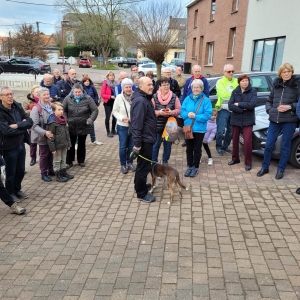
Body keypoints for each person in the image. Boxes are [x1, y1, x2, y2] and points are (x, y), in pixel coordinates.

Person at [257, 63, 300, 180]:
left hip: (289, 120)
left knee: (285, 147)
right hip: (274, 120)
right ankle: (265, 167)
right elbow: (269, 101)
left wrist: (290, 107)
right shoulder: (276, 86)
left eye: (289, 71)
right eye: (284, 72)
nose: (286, 74)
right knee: (269, 145)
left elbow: (299, 104)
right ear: (280, 74)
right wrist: (270, 110)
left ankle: (281, 169)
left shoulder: (297, 86)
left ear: (292, 72)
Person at [0, 86, 33, 202]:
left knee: (21, 169)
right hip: (8, 146)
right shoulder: (1, 111)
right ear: (1, 97)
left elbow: (30, 122)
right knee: (11, 172)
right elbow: (6, 131)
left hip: (20, 143)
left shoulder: (17, 106)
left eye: (11, 94)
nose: (10, 97)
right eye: (7, 95)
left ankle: (17, 189)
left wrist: (18, 125)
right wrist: (22, 126)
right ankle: (10, 193)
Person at [130, 77, 157, 203]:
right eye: (148, 85)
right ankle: (141, 193)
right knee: (143, 167)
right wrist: (137, 144)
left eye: (152, 84)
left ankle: (139, 185)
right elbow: (136, 125)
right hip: (144, 140)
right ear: (140, 87)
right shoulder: (141, 101)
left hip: (147, 138)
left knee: (142, 165)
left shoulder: (145, 98)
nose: (152, 86)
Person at [180, 79, 212, 177]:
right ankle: (189, 166)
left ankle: (195, 167)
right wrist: (187, 114)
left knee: (197, 149)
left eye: (198, 87)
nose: (195, 89)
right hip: (188, 128)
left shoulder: (206, 100)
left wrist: (195, 116)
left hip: (199, 129)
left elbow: (208, 115)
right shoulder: (187, 99)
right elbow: (182, 112)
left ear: (201, 88)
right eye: (194, 87)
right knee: (189, 149)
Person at [63, 83, 99, 168]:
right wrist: (65, 120)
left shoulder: (88, 98)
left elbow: (95, 110)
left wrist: (90, 120)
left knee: (82, 143)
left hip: (84, 124)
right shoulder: (68, 98)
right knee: (70, 144)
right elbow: (63, 109)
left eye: (79, 92)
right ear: (73, 91)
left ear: (82, 91)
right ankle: (69, 161)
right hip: (71, 125)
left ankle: (81, 160)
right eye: (76, 92)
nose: (77, 94)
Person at [228, 74, 257, 171]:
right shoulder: (235, 91)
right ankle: (235, 158)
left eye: (246, 81)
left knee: (247, 141)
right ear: (239, 82)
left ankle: (248, 162)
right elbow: (230, 105)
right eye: (243, 81)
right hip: (236, 118)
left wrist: (239, 104)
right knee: (235, 140)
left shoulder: (253, 91)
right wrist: (242, 109)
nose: (245, 82)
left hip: (248, 120)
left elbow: (252, 104)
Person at [151, 77, 181, 165]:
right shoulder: (154, 97)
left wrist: (172, 112)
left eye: (168, 84)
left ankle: (165, 161)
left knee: (167, 145)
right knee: (156, 145)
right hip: (157, 126)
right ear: (159, 86)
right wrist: (159, 112)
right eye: (164, 85)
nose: (166, 86)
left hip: (169, 126)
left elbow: (179, 109)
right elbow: (151, 111)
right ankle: (154, 161)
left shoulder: (174, 97)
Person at [181, 64, 209, 147]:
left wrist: (203, 102)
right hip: (189, 103)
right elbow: (185, 92)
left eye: (198, 71)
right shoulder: (189, 80)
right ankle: (187, 138)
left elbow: (206, 93)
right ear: (192, 72)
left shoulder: (204, 80)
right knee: (187, 122)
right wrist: (183, 103)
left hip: (199, 105)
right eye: (195, 71)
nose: (197, 73)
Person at [30, 87, 55, 182]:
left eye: (48, 94)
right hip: (42, 136)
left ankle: (51, 170)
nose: (47, 96)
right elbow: (34, 125)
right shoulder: (36, 108)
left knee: (51, 153)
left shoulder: (52, 105)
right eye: (44, 95)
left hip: (52, 135)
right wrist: (45, 132)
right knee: (44, 155)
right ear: (39, 96)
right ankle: (43, 173)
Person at [112, 78, 136, 174]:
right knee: (123, 146)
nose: (128, 89)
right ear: (122, 88)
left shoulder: (136, 96)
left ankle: (130, 162)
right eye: (126, 87)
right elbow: (114, 111)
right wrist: (122, 118)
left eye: (130, 87)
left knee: (131, 146)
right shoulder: (119, 97)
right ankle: (123, 164)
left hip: (133, 125)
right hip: (122, 126)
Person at [215, 64, 239, 156]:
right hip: (223, 109)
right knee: (220, 130)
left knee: (230, 131)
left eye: (233, 71)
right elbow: (222, 95)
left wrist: (230, 94)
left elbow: (239, 94)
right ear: (224, 72)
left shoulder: (237, 81)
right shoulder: (220, 82)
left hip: (234, 110)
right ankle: (218, 146)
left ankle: (225, 146)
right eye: (229, 71)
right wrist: (234, 95)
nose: (231, 73)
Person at [47, 102, 74, 182]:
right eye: (59, 110)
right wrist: (53, 149)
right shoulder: (53, 123)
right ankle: (58, 175)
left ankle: (63, 172)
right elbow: (50, 137)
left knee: (63, 159)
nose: (61, 111)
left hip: (64, 145)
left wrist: (68, 144)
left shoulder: (64, 121)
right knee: (57, 160)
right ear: (53, 111)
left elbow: (67, 134)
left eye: (62, 109)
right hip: (57, 146)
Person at [81, 76, 103, 145]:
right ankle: (77, 142)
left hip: (91, 107)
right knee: (80, 125)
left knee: (91, 124)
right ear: (83, 82)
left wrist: (95, 102)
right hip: (83, 108)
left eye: (88, 81)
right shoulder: (81, 88)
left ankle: (93, 140)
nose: (87, 82)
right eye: (85, 81)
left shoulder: (92, 87)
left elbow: (96, 95)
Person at [22, 84, 39, 166]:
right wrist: (32, 109)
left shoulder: (42, 99)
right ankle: (33, 158)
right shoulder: (26, 101)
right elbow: (23, 113)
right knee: (33, 143)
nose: (38, 93)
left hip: (42, 125)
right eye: (37, 92)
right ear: (32, 92)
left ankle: (44, 158)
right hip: (32, 126)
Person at [101, 71, 118, 137]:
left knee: (114, 117)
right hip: (108, 102)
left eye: (113, 75)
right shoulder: (105, 84)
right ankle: (108, 132)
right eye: (110, 75)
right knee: (108, 117)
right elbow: (102, 94)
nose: (112, 76)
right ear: (108, 77)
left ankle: (113, 130)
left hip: (115, 102)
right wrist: (110, 96)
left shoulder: (116, 83)